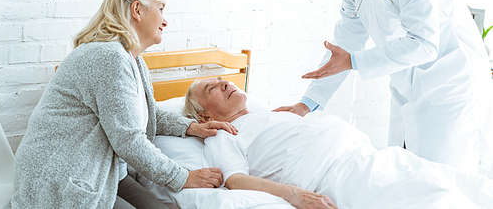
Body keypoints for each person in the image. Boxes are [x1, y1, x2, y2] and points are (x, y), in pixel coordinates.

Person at [274, 0, 493, 173]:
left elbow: (425, 43)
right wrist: (306, 104)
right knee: (404, 176)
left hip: (450, 85)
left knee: (445, 184)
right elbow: (343, 44)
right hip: (410, 88)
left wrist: (354, 61)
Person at [5, 0, 237, 209]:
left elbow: (145, 111)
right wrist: (183, 177)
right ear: (137, 10)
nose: (165, 21)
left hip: (108, 172)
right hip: (62, 175)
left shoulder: (132, 59)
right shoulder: (108, 57)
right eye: (161, 9)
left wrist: (189, 127)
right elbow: (129, 140)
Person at [184, 77, 493, 209]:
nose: (225, 83)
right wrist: (297, 197)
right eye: (211, 87)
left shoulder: (273, 114)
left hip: (369, 155)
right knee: (434, 200)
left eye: (225, 79)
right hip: (338, 175)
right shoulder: (222, 135)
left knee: (450, 184)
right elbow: (235, 180)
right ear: (203, 117)